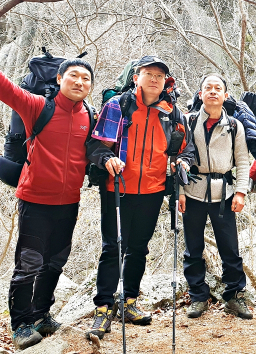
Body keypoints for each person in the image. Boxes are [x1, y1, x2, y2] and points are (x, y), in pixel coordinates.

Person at [0, 25, 93, 349]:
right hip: (35, 201)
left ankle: (40, 314)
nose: (80, 82)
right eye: (74, 76)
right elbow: (3, 87)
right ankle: (21, 324)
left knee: (56, 261)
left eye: (86, 79)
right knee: (29, 265)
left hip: (69, 202)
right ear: (59, 79)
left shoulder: (89, 117)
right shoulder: (39, 107)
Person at [85, 56, 195, 339]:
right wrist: (107, 158)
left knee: (139, 247)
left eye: (160, 75)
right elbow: (97, 145)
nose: (155, 79)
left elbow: (186, 149)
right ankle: (104, 307)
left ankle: (129, 301)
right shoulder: (118, 106)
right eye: (149, 73)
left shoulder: (172, 113)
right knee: (113, 247)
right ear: (136, 77)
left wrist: (181, 162)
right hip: (117, 188)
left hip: (153, 190)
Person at [180, 73, 252, 319]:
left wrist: (241, 192)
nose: (212, 91)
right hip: (192, 191)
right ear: (200, 94)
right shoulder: (188, 122)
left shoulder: (234, 125)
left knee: (230, 249)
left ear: (225, 95)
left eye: (217, 88)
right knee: (193, 249)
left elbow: (243, 161)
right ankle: (198, 297)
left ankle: (234, 296)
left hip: (224, 194)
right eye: (207, 88)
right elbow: (177, 160)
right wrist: (178, 192)